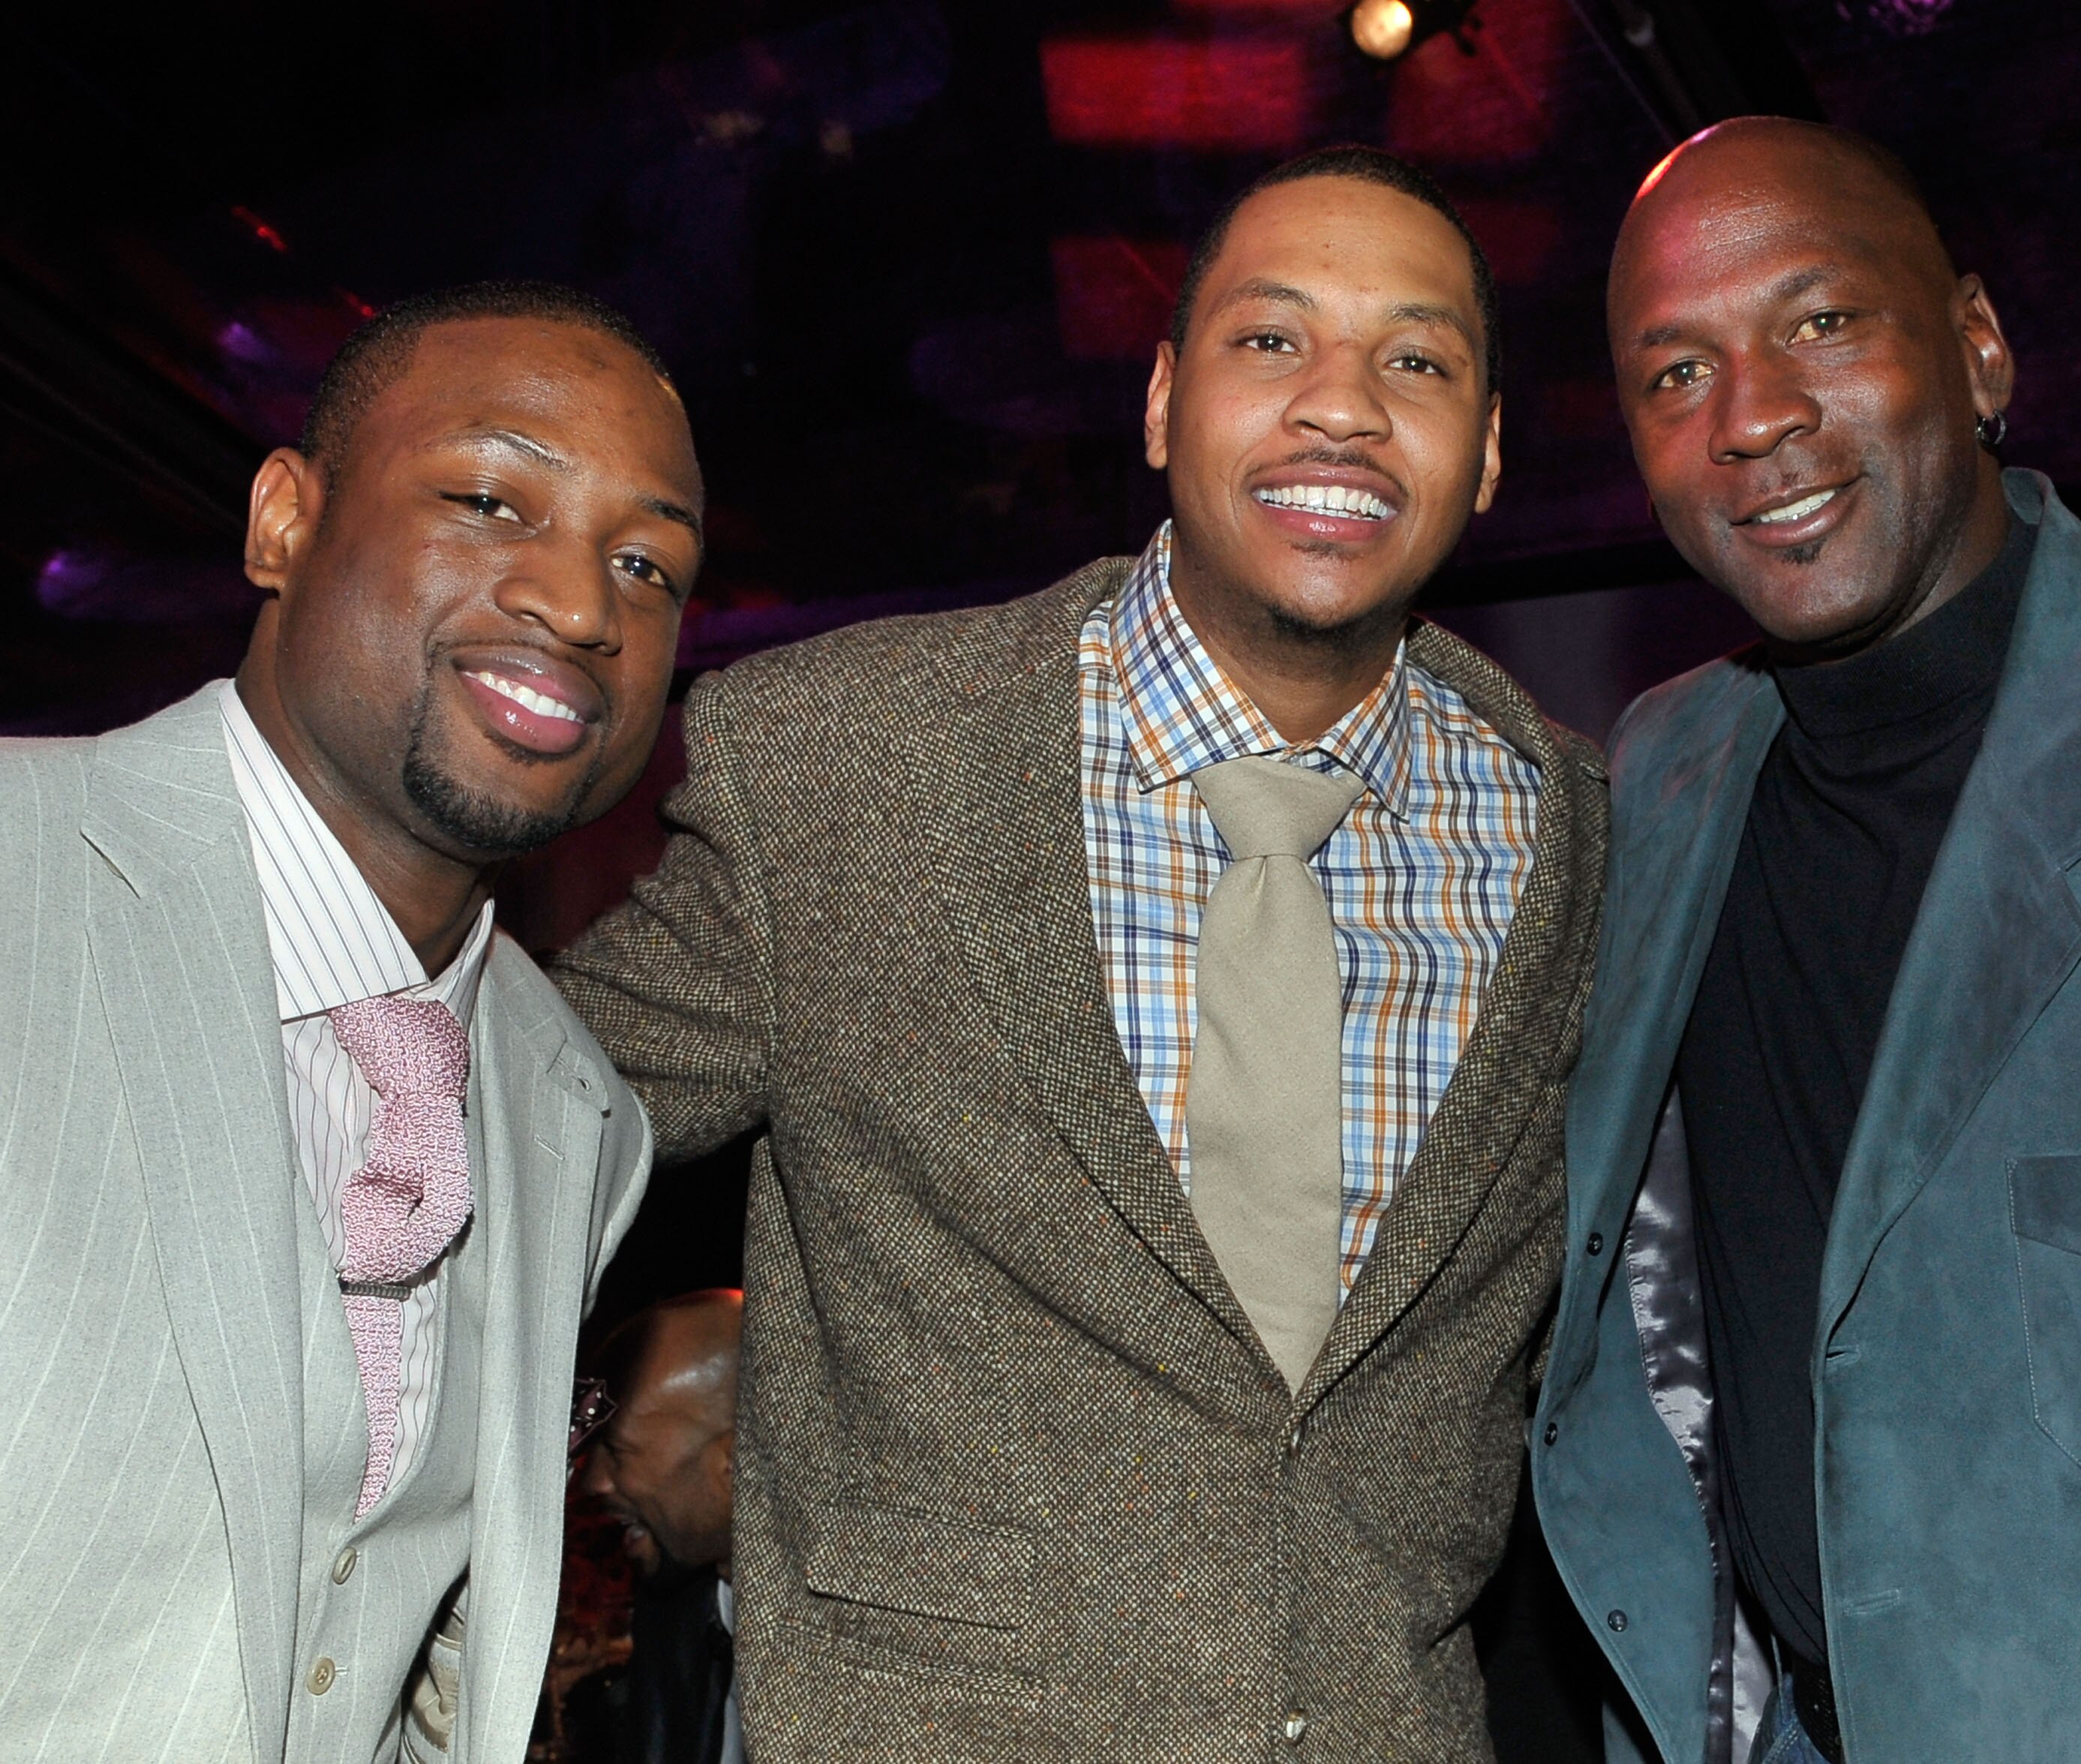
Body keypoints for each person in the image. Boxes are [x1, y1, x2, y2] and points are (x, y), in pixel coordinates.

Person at [553, 145, 1608, 1760]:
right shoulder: (841, 763)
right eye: (1274, 340)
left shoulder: (1584, 835)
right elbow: (497, 1132)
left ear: (1485, 459)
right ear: (1159, 401)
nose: (1344, 404)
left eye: (1418, 358)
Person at [1533, 116, 2081, 1764]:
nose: (1756, 417)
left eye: (1822, 320)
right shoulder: (1658, 777)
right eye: (1673, 373)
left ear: (1980, 347)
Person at [0, 281, 700, 1762]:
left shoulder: (574, 1105)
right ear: (281, 523)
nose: (582, 605)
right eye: (491, 499)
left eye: (645, 563)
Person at [575, 1289, 746, 1764]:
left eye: (620, 1451)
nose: (594, 1481)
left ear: (737, 1462)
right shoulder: (670, 1618)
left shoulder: (862, 1642)